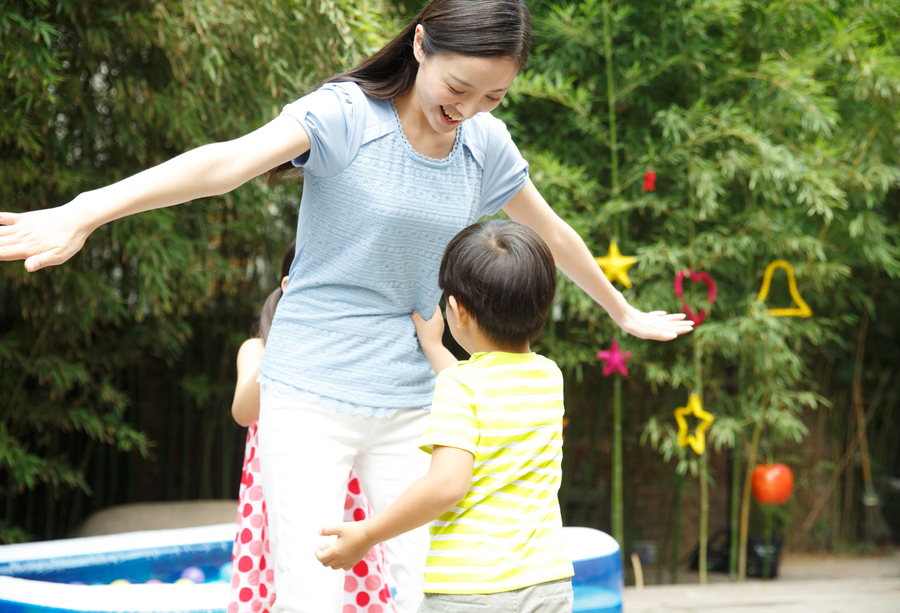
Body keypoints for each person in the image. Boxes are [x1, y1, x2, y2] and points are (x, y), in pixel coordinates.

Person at [0, 1, 692, 610]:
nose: (471, 109)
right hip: (306, 392)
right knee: (310, 591)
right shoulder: (345, 116)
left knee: (428, 585)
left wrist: (620, 310)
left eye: (494, 97)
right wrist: (87, 210)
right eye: (460, 87)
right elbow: (221, 165)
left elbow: (552, 231)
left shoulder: (483, 145)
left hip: (414, 399)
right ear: (420, 44)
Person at [316, 220, 574, 612]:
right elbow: (487, 389)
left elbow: (447, 485)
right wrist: (434, 347)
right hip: (547, 582)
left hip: (473, 588)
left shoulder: (460, 387)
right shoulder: (548, 377)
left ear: (456, 310)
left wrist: (368, 533)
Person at [229, 242, 395, 613]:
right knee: (282, 578)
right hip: (275, 484)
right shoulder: (255, 349)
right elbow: (243, 412)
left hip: (344, 485)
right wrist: (286, 341)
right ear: (291, 287)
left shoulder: (347, 352)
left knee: (351, 579)